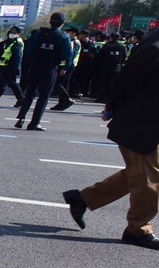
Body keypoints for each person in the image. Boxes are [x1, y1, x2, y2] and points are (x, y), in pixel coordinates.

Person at [61, 27, 159, 249]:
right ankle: (138, 229)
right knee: (150, 180)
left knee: (139, 174)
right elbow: (124, 81)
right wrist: (111, 107)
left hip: (148, 124)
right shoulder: (153, 49)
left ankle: (82, 199)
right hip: (140, 123)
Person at [14, 12, 72, 132]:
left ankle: (21, 118)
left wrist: (31, 63)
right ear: (63, 23)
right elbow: (67, 55)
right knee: (44, 96)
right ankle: (34, 123)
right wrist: (65, 67)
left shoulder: (41, 32)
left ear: (50, 21)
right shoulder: (63, 36)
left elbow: (29, 49)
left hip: (36, 66)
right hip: (50, 68)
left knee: (30, 93)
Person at [0, 27, 25, 106]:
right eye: (11, 32)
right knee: (7, 84)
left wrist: (16, 67)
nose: (11, 34)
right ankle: (20, 100)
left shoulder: (17, 43)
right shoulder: (8, 42)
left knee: (5, 84)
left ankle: (21, 100)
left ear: (19, 34)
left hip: (10, 66)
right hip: (4, 66)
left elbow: (18, 56)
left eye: (14, 33)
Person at [93, 32, 127, 101]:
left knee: (103, 83)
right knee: (113, 84)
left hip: (105, 68)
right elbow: (124, 57)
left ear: (111, 38)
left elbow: (100, 57)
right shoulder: (122, 47)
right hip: (117, 68)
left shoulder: (106, 46)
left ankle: (101, 97)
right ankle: (110, 98)